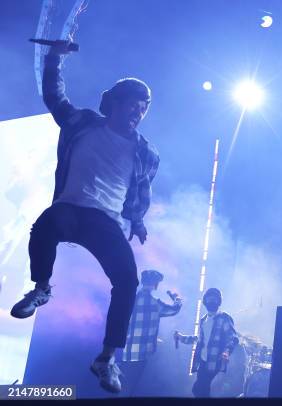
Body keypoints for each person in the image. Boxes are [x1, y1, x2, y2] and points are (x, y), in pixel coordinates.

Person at [10, 40, 159, 393]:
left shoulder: (146, 153)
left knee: (128, 281)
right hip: (70, 208)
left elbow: (141, 192)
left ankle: (106, 359)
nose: (137, 113)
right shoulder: (83, 123)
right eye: (131, 106)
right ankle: (42, 289)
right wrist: (55, 58)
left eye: (143, 109)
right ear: (113, 104)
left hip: (104, 221)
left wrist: (137, 220)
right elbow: (54, 97)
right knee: (46, 225)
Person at [119, 270, 182, 396]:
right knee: (131, 390)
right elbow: (174, 310)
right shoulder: (154, 302)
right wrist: (176, 299)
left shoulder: (130, 298)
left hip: (127, 351)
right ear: (156, 284)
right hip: (142, 353)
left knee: (125, 388)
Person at [175, 288, 239, 398]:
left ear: (219, 302)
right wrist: (181, 338)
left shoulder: (224, 318)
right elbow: (199, 340)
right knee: (198, 391)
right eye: (210, 299)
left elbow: (232, 337)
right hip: (203, 364)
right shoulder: (203, 320)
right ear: (205, 301)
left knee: (206, 392)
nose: (212, 301)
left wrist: (227, 351)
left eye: (215, 299)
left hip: (216, 365)